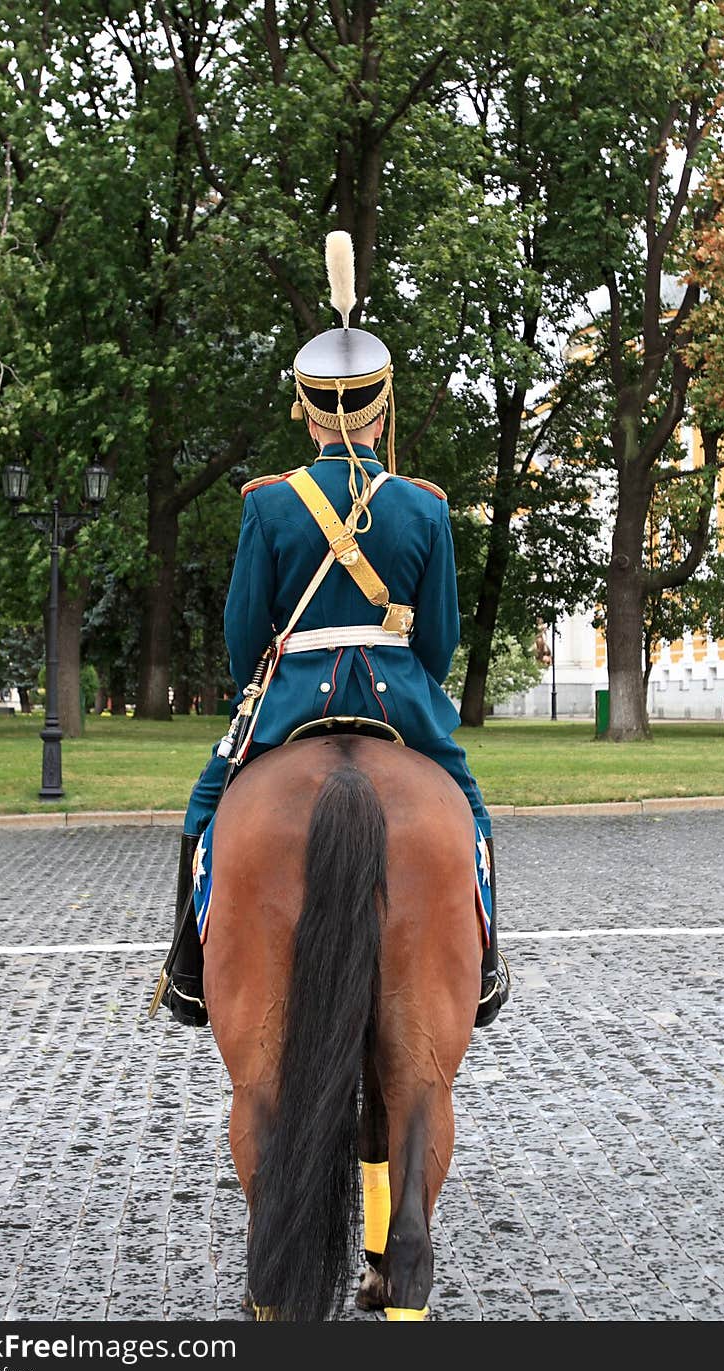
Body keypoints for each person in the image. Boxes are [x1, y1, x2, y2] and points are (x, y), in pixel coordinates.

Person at [152, 232, 508, 1031]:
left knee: (207, 802)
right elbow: (440, 639)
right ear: (383, 406)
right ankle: (484, 970)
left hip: (291, 698)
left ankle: (186, 975)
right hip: (400, 700)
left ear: (308, 409)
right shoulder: (423, 505)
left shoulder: (269, 503)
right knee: (472, 809)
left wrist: (265, 677)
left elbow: (245, 634)